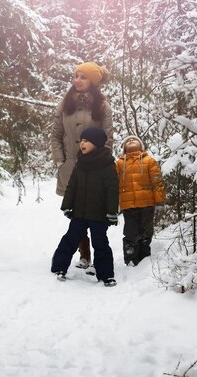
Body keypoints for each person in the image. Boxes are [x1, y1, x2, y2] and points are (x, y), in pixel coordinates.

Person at [50, 62, 113, 269]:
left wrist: (101, 164)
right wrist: (60, 161)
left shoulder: (102, 106)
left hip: (95, 169)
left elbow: (107, 138)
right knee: (76, 212)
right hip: (70, 167)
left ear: (93, 81)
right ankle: (84, 253)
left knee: (93, 210)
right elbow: (56, 135)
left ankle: (99, 256)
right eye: (76, 75)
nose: (77, 80)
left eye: (83, 76)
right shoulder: (65, 104)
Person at [51, 127, 119, 287]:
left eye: (86, 141)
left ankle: (106, 275)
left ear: (96, 143)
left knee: (100, 244)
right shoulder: (80, 163)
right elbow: (72, 186)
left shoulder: (107, 165)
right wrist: (67, 206)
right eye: (81, 140)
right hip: (79, 213)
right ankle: (59, 267)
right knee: (70, 239)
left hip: (99, 214)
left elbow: (112, 190)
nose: (82, 143)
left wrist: (111, 212)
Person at [115, 135, 166, 266]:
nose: (131, 140)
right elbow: (113, 184)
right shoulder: (119, 163)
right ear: (124, 148)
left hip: (147, 204)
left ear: (141, 145)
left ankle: (144, 260)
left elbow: (157, 182)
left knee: (146, 232)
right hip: (128, 205)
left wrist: (159, 201)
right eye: (128, 141)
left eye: (134, 140)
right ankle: (131, 260)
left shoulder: (149, 161)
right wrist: (113, 205)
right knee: (130, 233)